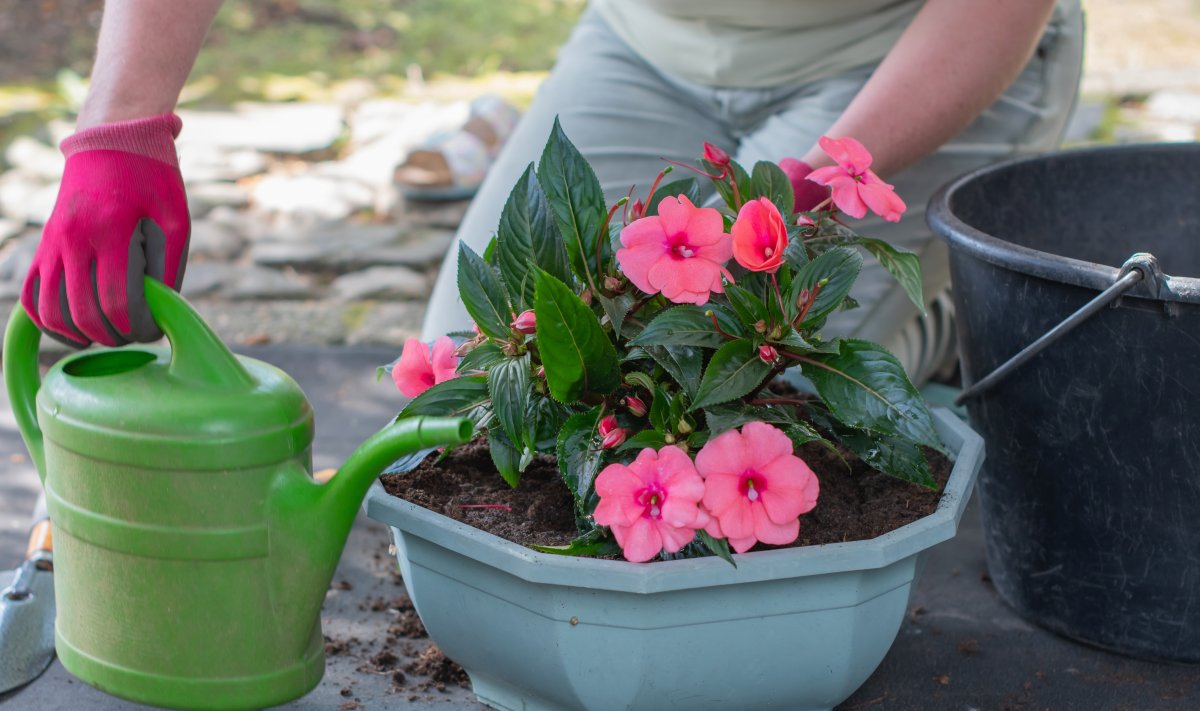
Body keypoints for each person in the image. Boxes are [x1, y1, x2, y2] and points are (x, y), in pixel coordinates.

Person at [22, 0, 1083, 387]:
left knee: (760, 393)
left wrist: (822, 177)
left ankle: (947, 315)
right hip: (648, 42)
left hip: (904, 55)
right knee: (482, 393)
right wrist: (120, 125)